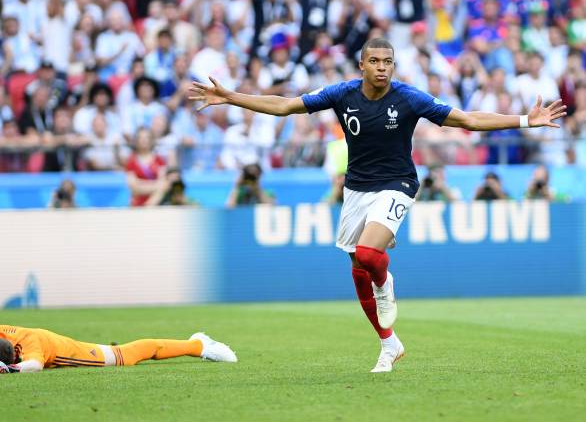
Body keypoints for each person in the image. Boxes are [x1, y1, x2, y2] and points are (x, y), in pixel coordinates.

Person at [189, 37, 567, 373]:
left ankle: (387, 283)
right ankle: (389, 342)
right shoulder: (341, 94)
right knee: (356, 266)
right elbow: (286, 105)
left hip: (398, 183)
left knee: (370, 255)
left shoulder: (409, 97)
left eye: (388, 62)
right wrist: (232, 96)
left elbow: (467, 118)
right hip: (356, 189)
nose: (382, 68)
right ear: (362, 65)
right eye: (375, 62)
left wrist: (524, 120)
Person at [0, 324, 237, 374]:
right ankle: (196, 343)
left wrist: (9, 370)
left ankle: (198, 345)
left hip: (65, 349)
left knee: (126, 356)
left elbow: (35, 365)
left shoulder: (29, 344)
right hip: (9, 353)